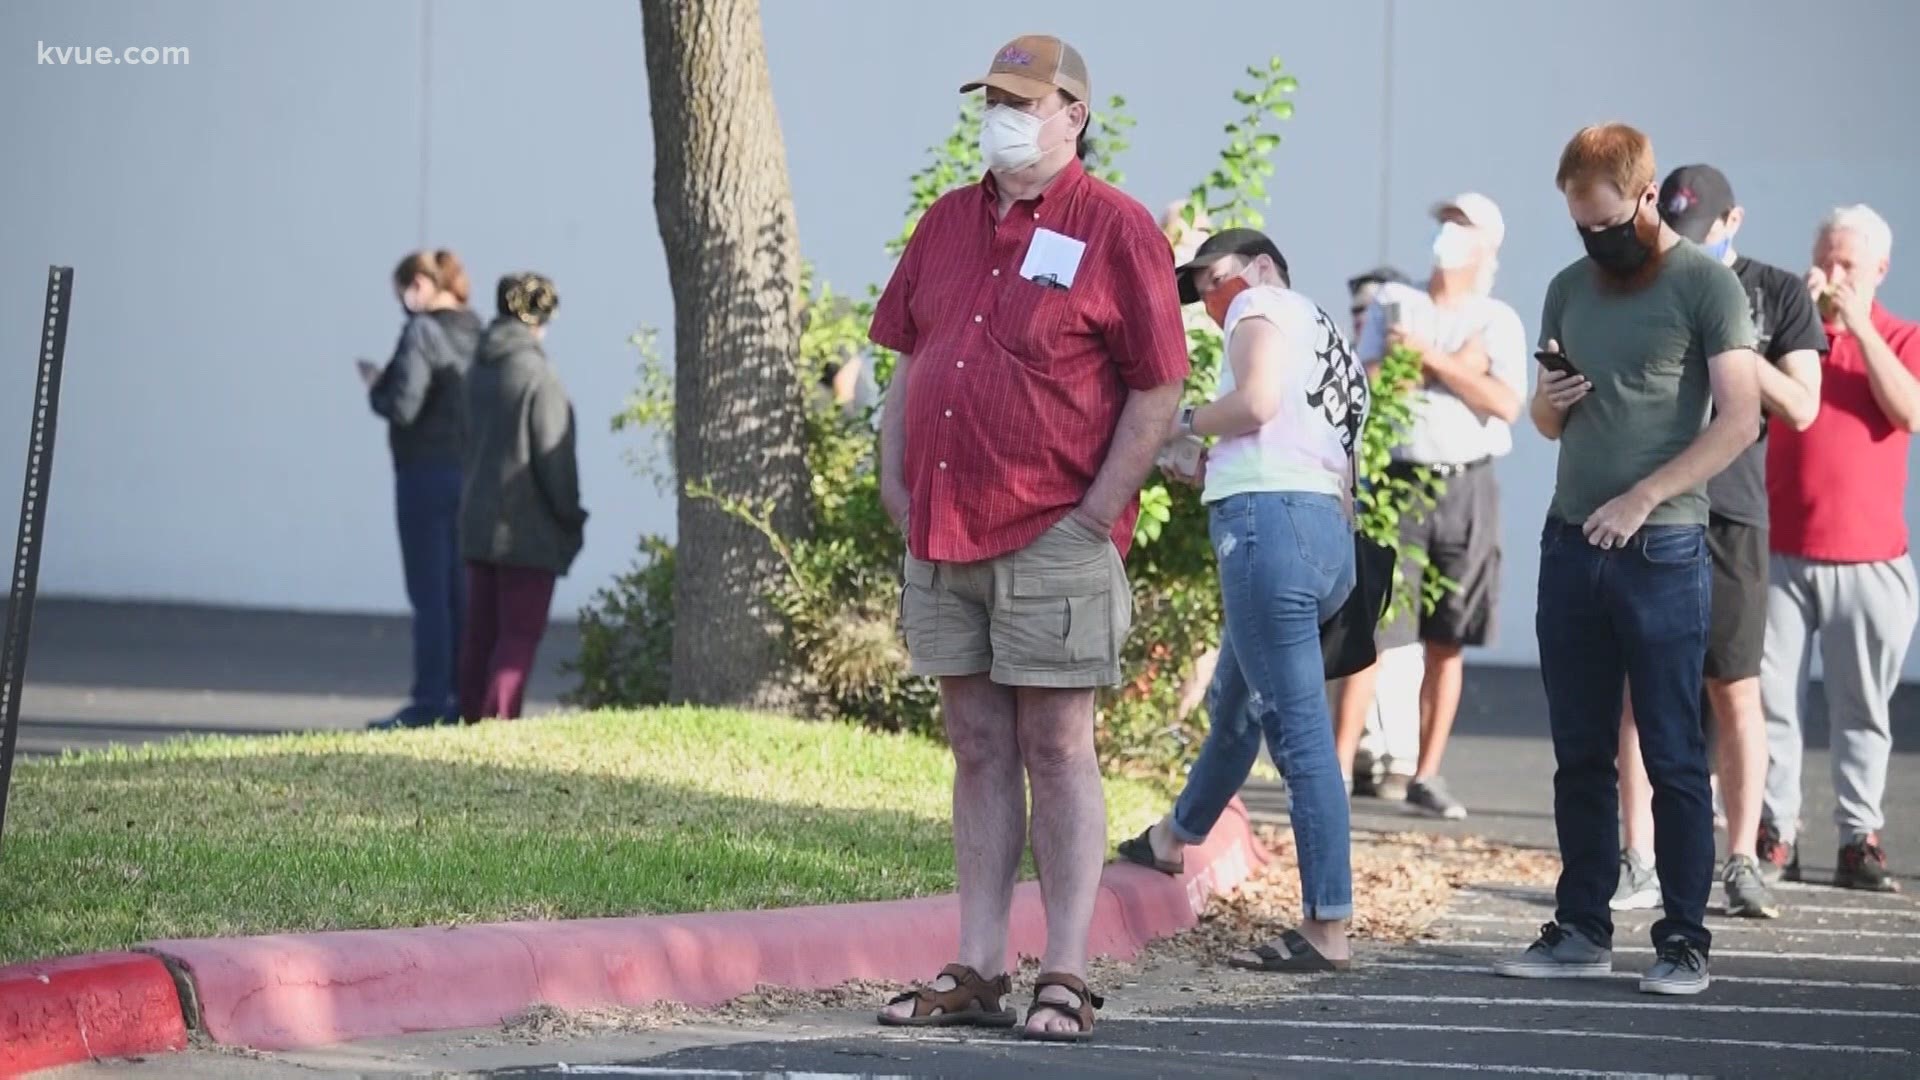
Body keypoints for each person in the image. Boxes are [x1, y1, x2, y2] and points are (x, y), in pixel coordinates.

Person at [867, 35, 1188, 1042]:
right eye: (992, 99)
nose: (1001, 114)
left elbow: (1159, 380)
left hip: (1055, 531)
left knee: (1055, 744)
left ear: (1072, 116)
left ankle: (1066, 970)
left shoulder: (1117, 228)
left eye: (1021, 100)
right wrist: (892, 475)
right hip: (944, 525)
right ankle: (978, 963)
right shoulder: (948, 221)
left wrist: (1099, 513)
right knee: (974, 745)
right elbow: (911, 357)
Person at [1494, 123, 1760, 997]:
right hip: (1571, 545)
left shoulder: (1706, 285)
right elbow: (1544, 423)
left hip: (1665, 546)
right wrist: (1549, 401)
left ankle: (1683, 940)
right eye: (1580, 223)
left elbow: (1739, 420)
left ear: (1647, 198)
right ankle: (1581, 928)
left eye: (1607, 222)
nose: (1594, 239)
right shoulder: (1570, 287)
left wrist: (1644, 497)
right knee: (1578, 752)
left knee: (1676, 754)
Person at [1116, 228, 1370, 974]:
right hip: (1322, 530)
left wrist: (1182, 421)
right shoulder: (1329, 339)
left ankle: (1329, 925)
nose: (1209, 302)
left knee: (1298, 733)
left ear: (1261, 267)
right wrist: (1219, 459)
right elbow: (1302, 437)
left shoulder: (1263, 301)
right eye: (1194, 292)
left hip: (1268, 530)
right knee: (1236, 699)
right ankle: (1174, 838)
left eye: (1212, 279)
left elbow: (1254, 403)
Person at [1611, 165, 1826, 919]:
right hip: (1657, 507)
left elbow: (1802, 405)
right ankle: (1635, 858)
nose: (1686, 246)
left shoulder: (1777, 292)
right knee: (1641, 689)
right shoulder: (1643, 281)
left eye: (1699, 234)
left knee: (1735, 688)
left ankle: (1741, 861)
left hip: (1734, 511)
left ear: (1734, 222)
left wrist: (1733, 339)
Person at [1347, 194, 1528, 820]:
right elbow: (1370, 385)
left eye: (1462, 227)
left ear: (1488, 246)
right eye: (1443, 224)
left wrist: (1431, 359)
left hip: (1466, 485)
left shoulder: (1499, 319)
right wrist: (1443, 364)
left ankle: (1426, 772)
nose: (1448, 237)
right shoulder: (1398, 303)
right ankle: (1340, 765)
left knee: (1448, 637)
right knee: (1373, 631)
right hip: (1397, 480)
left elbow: (1505, 403)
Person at [1760, 204, 1920, 892]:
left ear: (1878, 270)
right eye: (1825, 260)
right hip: (1780, 553)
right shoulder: (1790, 336)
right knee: (1770, 705)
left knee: (1862, 710)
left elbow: (1910, 410)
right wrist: (1794, 324)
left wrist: (1856, 323)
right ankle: (1775, 833)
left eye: (1847, 264)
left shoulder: (1903, 336)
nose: (1831, 274)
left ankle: (1859, 838)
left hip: (1871, 560)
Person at [362, 250, 482, 731]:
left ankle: (429, 701)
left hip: (424, 474)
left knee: (430, 594)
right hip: (469, 475)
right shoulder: (479, 331)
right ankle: (463, 699)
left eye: (403, 293)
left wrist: (376, 388)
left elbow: (405, 404)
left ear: (420, 285)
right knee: (462, 594)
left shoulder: (422, 332)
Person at [458, 273, 586, 722]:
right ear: (538, 320)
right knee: (517, 636)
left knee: (481, 635)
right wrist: (571, 517)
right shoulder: (539, 377)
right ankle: (497, 726)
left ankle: (469, 722)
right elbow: (555, 459)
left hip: (476, 520)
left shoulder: (477, 367)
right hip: (526, 529)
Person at [1335, 264, 1415, 799]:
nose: (1367, 319)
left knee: (1400, 636)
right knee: (1355, 629)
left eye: (1376, 310)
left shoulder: (1410, 361)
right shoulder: (1341, 358)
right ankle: (1356, 752)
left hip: (1406, 495)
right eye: (1359, 309)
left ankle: (1397, 755)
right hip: (1356, 502)